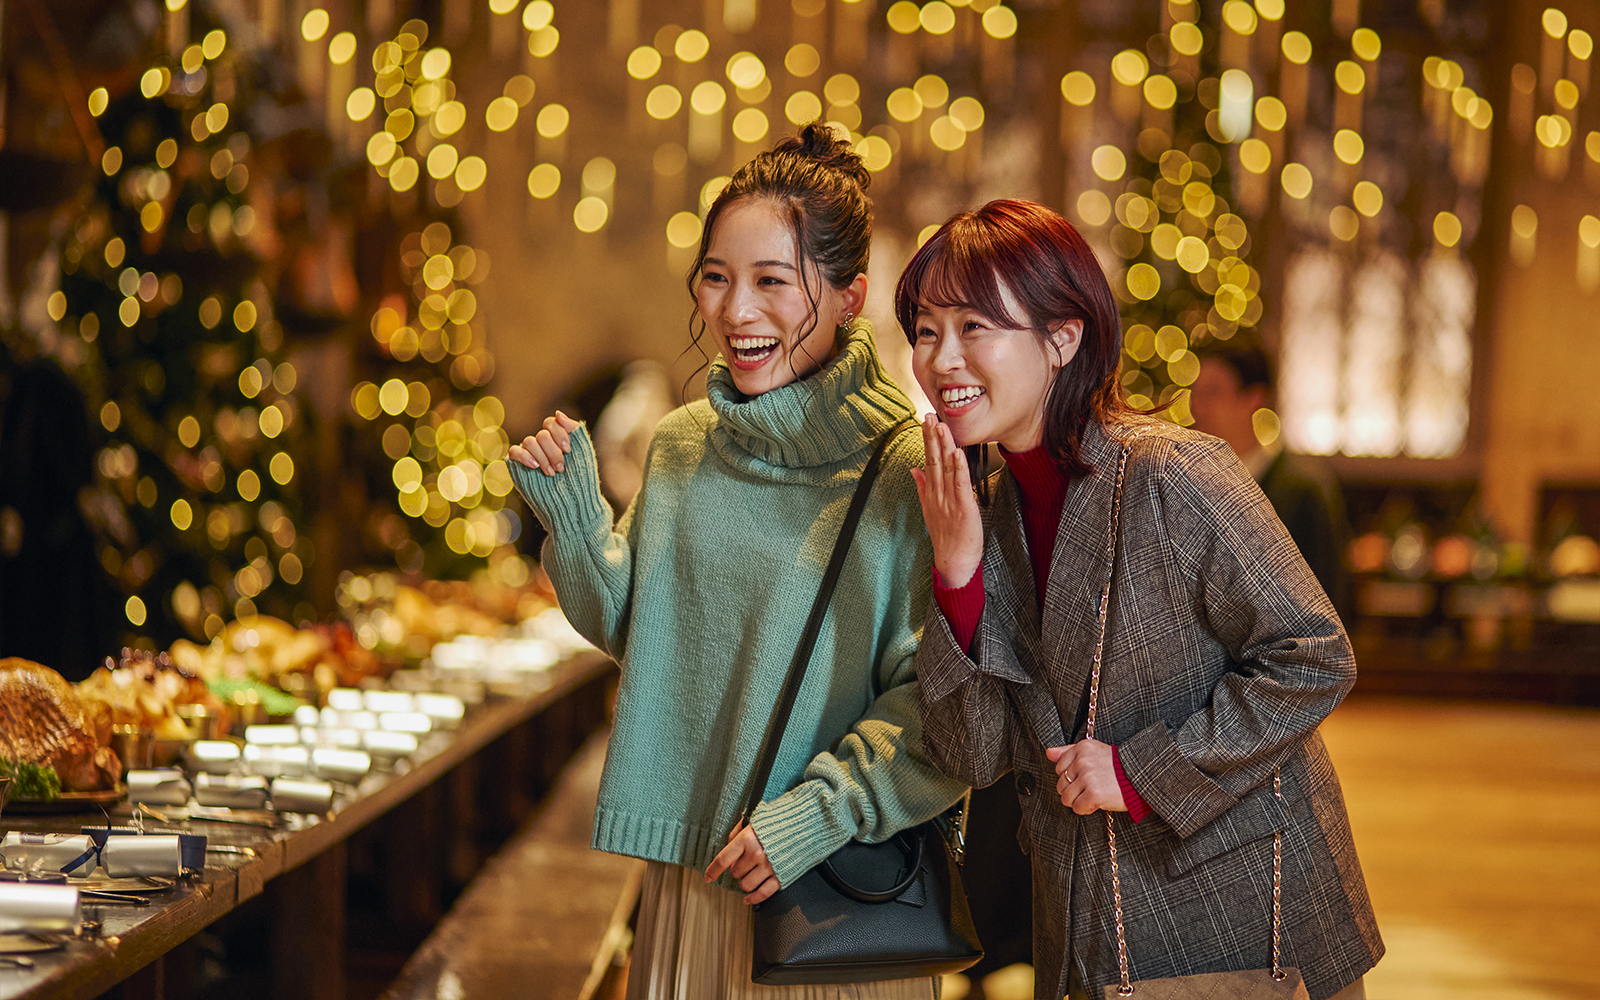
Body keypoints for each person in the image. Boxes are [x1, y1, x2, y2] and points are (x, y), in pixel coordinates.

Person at [507, 124, 965, 999]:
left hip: (835, 895)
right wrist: (573, 517)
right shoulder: (683, 448)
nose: (734, 311)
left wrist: (810, 819)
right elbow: (643, 634)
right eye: (716, 278)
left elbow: (945, 707)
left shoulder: (909, 469)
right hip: (693, 880)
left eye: (771, 282)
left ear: (846, 296)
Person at [900, 200, 1382, 1000]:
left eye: (974, 326)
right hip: (1084, 929)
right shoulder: (980, 508)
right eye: (924, 330)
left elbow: (1316, 655)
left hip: (1239, 928)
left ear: (1063, 337)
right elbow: (976, 755)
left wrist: (1140, 772)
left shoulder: (1173, 474)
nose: (941, 358)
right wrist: (956, 576)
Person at [1187, 341, 1354, 623]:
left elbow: (1329, 598)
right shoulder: (1191, 484)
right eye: (1195, 394)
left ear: (1254, 398)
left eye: (1213, 393)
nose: (1198, 408)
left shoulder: (1301, 489)